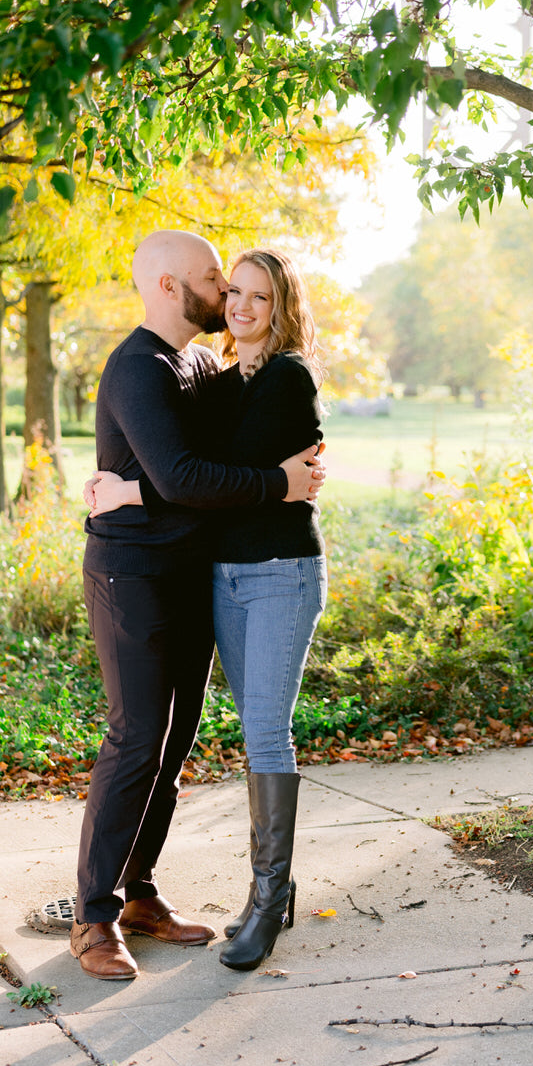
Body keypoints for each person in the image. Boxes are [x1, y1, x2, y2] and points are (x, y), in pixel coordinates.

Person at [69, 231, 323, 983]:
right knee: (135, 738)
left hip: (192, 575)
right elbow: (184, 475)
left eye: (245, 289)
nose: (227, 295)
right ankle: (93, 914)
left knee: (172, 746)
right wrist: (276, 485)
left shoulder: (202, 365)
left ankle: (139, 892)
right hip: (134, 577)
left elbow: (212, 469)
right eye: (218, 281)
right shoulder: (139, 368)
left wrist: (137, 488)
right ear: (175, 288)